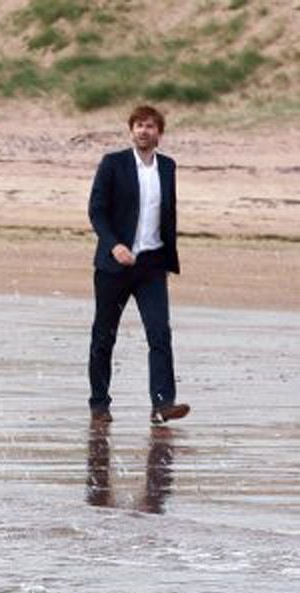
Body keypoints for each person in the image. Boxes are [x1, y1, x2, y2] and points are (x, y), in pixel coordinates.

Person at [87, 104, 190, 425]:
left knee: (159, 334)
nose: (144, 131)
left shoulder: (167, 167)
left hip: (151, 265)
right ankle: (99, 404)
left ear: (159, 133)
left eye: (150, 126)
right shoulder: (113, 164)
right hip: (114, 266)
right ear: (131, 131)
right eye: (139, 126)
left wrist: (167, 256)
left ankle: (162, 404)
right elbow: (97, 210)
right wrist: (115, 244)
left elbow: (167, 213)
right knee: (104, 337)